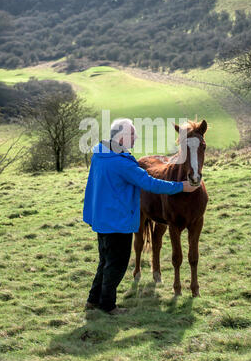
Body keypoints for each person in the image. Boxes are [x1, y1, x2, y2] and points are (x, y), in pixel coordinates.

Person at [83, 118, 200, 315]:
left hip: (101, 217)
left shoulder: (100, 154)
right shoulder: (121, 163)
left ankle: (93, 301)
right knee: (117, 264)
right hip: (117, 220)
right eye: (132, 134)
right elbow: (150, 183)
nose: (136, 137)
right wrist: (182, 187)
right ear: (120, 138)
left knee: (104, 261)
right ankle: (108, 306)